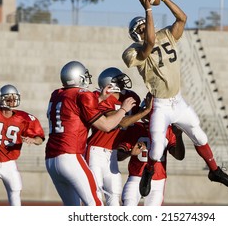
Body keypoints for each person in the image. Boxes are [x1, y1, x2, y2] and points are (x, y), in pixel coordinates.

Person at [122, 0, 228, 197]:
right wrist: (148, 9)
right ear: (134, 35)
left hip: (178, 101)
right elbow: (148, 43)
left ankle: (214, 171)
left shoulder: (165, 35)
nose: (143, 29)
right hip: (160, 105)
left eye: (144, 26)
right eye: (139, 29)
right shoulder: (132, 52)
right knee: (157, 148)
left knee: (200, 135)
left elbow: (182, 18)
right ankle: (149, 170)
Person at [45, 61, 136, 206]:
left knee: (73, 210)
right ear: (77, 77)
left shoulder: (57, 94)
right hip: (70, 156)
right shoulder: (83, 94)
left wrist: (100, 98)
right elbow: (106, 126)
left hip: (50, 160)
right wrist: (123, 110)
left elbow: (75, 109)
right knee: (95, 204)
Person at [86, 67, 152, 206]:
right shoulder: (100, 98)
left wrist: (149, 104)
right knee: (94, 195)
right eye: (119, 80)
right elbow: (120, 122)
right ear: (109, 84)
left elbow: (136, 116)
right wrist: (144, 111)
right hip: (96, 151)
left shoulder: (131, 96)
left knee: (115, 196)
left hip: (112, 153)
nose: (123, 82)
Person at [117, 97, 185, 206]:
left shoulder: (168, 130)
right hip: (136, 177)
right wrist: (130, 153)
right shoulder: (135, 128)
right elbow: (119, 156)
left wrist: (179, 135)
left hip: (157, 179)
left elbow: (179, 156)